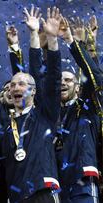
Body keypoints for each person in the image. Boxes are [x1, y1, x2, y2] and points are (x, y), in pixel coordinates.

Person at [0, 6, 62, 202]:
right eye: (12, 84)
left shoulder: (44, 113)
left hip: (43, 191)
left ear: (33, 91)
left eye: (22, 84)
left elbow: (52, 77)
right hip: (16, 197)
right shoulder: (7, 126)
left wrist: (47, 38)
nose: (15, 87)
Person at [51, 15, 101, 203]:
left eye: (68, 80)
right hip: (55, 181)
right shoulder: (51, 113)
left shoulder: (87, 106)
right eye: (60, 80)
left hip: (83, 178)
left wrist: (72, 41)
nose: (63, 83)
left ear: (78, 88)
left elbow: (93, 75)